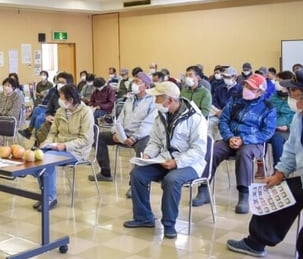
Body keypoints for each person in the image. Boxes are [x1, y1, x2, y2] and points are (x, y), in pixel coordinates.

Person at [226, 69, 303, 259]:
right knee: (273, 194)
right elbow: (290, 151)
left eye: (296, 93)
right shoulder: (299, 118)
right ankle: (256, 242)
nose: (291, 97)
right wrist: (279, 174)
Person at [123, 81, 207, 239]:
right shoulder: (160, 115)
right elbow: (155, 141)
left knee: (171, 180)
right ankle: (143, 217)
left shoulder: (195, 118)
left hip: (189, 164)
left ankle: (169, 224)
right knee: (138, 174)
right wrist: (147, 155)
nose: (155, 102)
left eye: (158, 98)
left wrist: (177, 162)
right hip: (164, 159)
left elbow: (199, 150)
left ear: (169, 99)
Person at [193, 73, 276, 214]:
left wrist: (244, 140)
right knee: (212, 150)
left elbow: (267, 132)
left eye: (251, 87)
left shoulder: (268, 108)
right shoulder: (235, 100)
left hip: (253, 142)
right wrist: (230, 137)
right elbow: (224, 120)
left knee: (244, 154)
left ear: (260, 91)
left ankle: (244, 194)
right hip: (231, 138)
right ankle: (203, 189)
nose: (247, 89)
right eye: (246, 85)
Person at [88, 73, 156, 191]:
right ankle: (105, 173)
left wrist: (134, 138)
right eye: (133, 81)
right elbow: (119, 118)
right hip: (123, 134)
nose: (133, 84)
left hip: (140, 136)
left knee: (144, 147)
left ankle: (135, 184)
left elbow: (148, 124)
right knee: (99, 137)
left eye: (136, 81)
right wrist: (116, 133)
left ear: (145, 85)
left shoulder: (152, 101)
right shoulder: (130, 99)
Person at [33, 84, 94, 212]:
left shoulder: (85, 112)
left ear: (71, 100)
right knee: (38, 155)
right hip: (57, 147)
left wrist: (65, 146)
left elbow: (85, 139)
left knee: (48, 160)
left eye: (62, 97)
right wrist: (47, 142)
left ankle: (50, 198)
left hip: (77, 151)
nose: (59, 100)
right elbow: (53, 133)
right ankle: (45, 194)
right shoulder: (61, 111)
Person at [18, 72, 73, 141]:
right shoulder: (53, 91)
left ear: (69, 83)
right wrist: (48, 114)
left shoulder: (71, 94)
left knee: (39, 118)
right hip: (51, 109)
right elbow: (47, 101)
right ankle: (30, 132)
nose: (60, 84)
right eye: (58, 82)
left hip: (61, 114)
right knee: (37, 109)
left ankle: (36, 140)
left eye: (62, 82)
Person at [267, 71, 295, 168]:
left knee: (277, 139)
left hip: (288, 130)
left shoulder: (295, 98)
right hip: (271, 128)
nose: (276, 83)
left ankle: (278, 170)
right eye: (276, 81)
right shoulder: (273, 98)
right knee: (258, 139)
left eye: (278, 81)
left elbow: (299, 117)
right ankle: (260, 165)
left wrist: (287, 126)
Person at [209, 66, 242, 141]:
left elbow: (239, 106)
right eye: (224, 76)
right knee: (209, 124)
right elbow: (214, 102)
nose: (225, 79)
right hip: (217, 114)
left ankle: (220, 145)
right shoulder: (219, 88)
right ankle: (210, 145)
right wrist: (217, 112)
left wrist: (224, 113)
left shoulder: (240, 90)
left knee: (223, 127)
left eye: (228, 77)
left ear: (235, 77)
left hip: (231, 117)